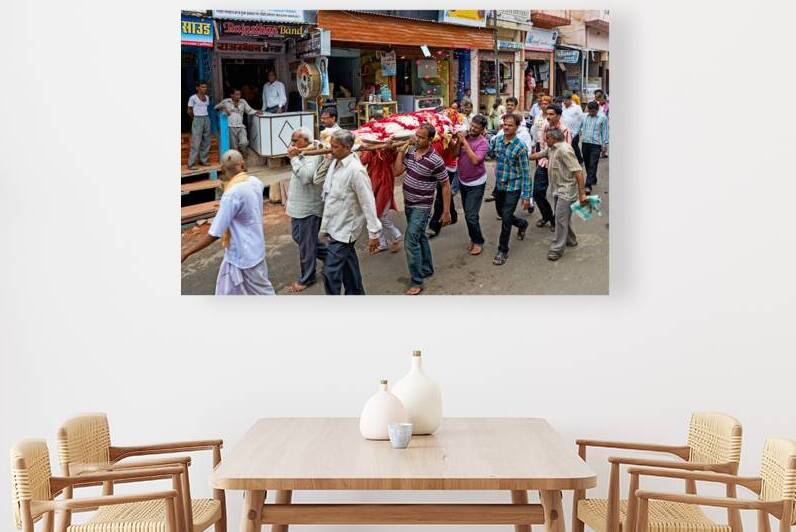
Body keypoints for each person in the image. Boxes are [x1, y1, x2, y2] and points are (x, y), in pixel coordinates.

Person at [181, 150, 275, 295]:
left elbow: (215, 232)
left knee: (263, 294)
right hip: (253, 248)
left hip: (244, 254)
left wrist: (187, 252)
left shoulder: (231, 194)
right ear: (243, 165)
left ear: (222, 169)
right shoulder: (255, 182)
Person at [312, 129, 382, 295]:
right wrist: (328, 159)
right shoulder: (335, 163)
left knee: (329, 272)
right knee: (350, 270)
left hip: (345, 229)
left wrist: (374, 233)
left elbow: (368, 202)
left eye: (335, 147)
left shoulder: (355, 170)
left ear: (346, 147)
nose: (331, 149)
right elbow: (317, 179)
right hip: (333, 225)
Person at [392, 123, 452, 295]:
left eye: (421, 137)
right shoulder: (410, 152)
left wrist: (446, 211)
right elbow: (397, 172)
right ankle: (427, 268)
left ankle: (417, 281)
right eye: (416, 136)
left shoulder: (435, 160)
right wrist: (401, 150)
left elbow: (445, 185)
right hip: (409, 204)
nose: (416, 139)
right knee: (419, 236)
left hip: (422, 206)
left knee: (410, 242)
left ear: (430, 139)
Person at [530, 128, 587, 261]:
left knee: (560, 219)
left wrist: (582, 193)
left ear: (553, 138)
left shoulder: (564, 150)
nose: (545, 140)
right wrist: (523, 154)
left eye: (547, 138)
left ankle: (556, 249)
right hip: (558, 189)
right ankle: (571, 240)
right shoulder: (552, 148)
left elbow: (578, 172)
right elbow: (539, 154)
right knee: (563, 217)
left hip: (566, 191)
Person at [285, 127, 327, 293]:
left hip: (309, 207)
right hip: (298, 206)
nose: (292, 144)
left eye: (295, 141)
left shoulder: (314, 153)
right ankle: (332, 256)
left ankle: (307, 277)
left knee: (306, 245)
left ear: (305, 140)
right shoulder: (303, 152)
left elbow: (306, 177)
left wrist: (294, 159)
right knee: (301, 239)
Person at [488, 113, 531, 266]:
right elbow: (490, 153)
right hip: (500, 185)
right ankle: (521, 224)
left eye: (510, 125)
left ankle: (502, 250)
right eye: (505, 124)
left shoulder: (520, 147)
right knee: (502, 213)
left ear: (517, 127)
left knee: (506, 217)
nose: (506, 127)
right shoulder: (498, 140)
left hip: (514, 186)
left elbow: (526, 173)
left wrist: (526, 196)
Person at [453, 114, 489, 256]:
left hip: (477, 182)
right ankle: (474, 238)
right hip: (463, 180)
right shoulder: (465, 138)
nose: (472, 129)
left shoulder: (483, 143)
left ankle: (478, 241)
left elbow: (475, 161)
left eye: (476, 128)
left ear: (482, 129)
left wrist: (465, 143)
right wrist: (458, 141)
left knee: (471, 215)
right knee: (468, 214)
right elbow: (455, 154)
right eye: (471, 126)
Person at [533, 104, 573, 230]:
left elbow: (567, 151)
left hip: (559, 167)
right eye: (548, 114)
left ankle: (556, 220)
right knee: (537, 192)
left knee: (558, 195)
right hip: (543, 162)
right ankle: (547, 216)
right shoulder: (545, 125)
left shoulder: (565, 130)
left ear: (559, 116)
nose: (548, 117)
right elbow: (542, 144)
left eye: (552, 114)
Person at [359, 146, 402, 254]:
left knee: (379, 215)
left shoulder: (383, 149)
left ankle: (396, 235)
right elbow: (363, 161)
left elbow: (362, 161)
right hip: (374, 183)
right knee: (377, 215)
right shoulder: (373, 150)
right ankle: (383, 243)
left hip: (384, 183)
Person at [428, 125, 459, 238]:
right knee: (445, 193)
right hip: (436, 167)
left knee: (441, 196)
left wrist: (447, 138)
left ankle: (434, 225)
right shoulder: (430, 132)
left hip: (448, 167)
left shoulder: (448, 131)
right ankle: (453, 214)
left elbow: (455, 149)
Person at [214, 88, 259, 157]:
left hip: (240, 126)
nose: (239, 96)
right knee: (234, 146)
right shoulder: (226, 101)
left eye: (239, 94)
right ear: (231, 95)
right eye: (237, 95)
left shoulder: (243, 102)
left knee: (244, 142)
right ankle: (238, 160)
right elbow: (216, 108)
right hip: (231, 126)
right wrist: (223, 109)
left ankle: (244, 153)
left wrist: (256, 111)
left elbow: (249, 110)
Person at [578, 100, 609, 194]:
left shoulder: (603, 118)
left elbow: (605, 132)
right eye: (590, 111)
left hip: (596, 144)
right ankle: (593, 178)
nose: (591, 113)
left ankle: (588, 185)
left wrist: (604, 146)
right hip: (585, 143)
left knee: (593, 164)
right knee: (587, 164)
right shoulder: (584, 117)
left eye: (593, 111)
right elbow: (579, 128)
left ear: (597, 109)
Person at [186, 80, 211, 169]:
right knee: (196, 141)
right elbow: (189, 111)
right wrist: (195, 119)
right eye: (202, 87)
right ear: (197, 88)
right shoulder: (193, 98)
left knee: (206, 141)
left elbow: (205, 108)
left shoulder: (207, 97)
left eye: (205, 87)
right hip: (197, 118)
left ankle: (203, 160)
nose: (205, 88)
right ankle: (191, 164)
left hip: (206, 118)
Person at [561, 92, 585, 164]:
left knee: (574, 145)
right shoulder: (563, 107)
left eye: (566, 100)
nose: (564, 102)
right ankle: (568, 161)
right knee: (565, 146)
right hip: (564, 131)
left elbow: (581, 119)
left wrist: (579, 131)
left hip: (574, 131)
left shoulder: (577, 108)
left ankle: (579, 160)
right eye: (563, 100)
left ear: (570, 99)